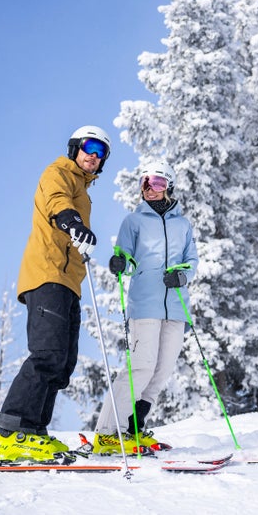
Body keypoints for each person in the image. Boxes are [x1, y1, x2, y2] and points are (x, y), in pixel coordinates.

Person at [0, 125, 111, 463]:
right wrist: (72, 222)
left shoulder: (84, 192)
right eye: (89, 147)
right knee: (46, 354)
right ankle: (12, 432)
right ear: (75, 147)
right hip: (47, 275)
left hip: (68, 282)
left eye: (101, 153)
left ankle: (34, 430)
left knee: (62, 364)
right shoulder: (58, 172)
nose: (93, 156)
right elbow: (56, 203)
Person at [91, 159, 198, 455]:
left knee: (161, 371)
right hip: (145, 305)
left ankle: (134, 428)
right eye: (146, 183)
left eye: (159, 183)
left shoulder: (183, 225)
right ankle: (109, 432)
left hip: (175, 307)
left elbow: (192, 260)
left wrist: (183, 275)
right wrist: (121, 262)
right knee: (140, 367)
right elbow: (125, 255)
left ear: (169, 187)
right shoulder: (133, 222)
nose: (151, 189)